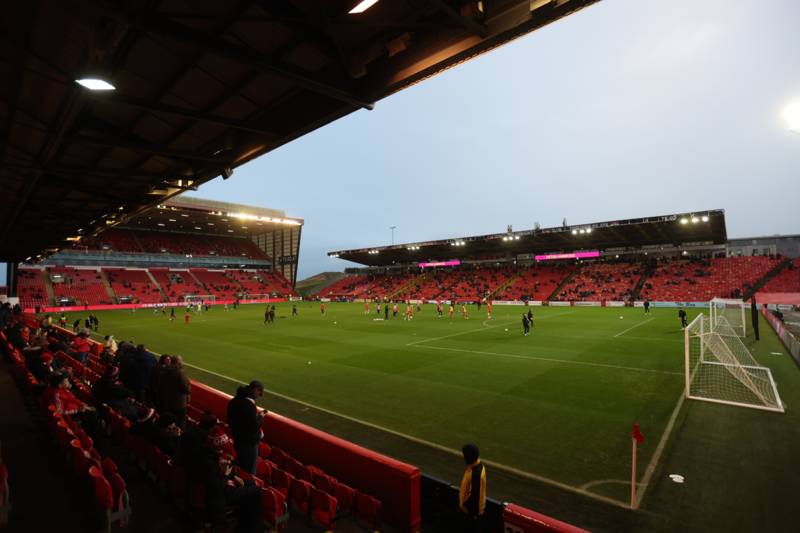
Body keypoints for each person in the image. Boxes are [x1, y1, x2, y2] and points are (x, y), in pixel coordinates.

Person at [227, 380, 266, 474]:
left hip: (237, 439)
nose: (260, 394)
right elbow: (254, 427)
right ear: (255, 389)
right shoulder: (248, 405)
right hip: (248, 444)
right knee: (249, 472)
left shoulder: (234, 401)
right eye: (259, 391)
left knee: (240, 466)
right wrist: (260, 417)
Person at [459, 443, 486, 532]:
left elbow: (474, 496)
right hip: (474, 512)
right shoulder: (476, 465)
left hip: (472, 513)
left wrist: (463, 506)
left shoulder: (475, 474)